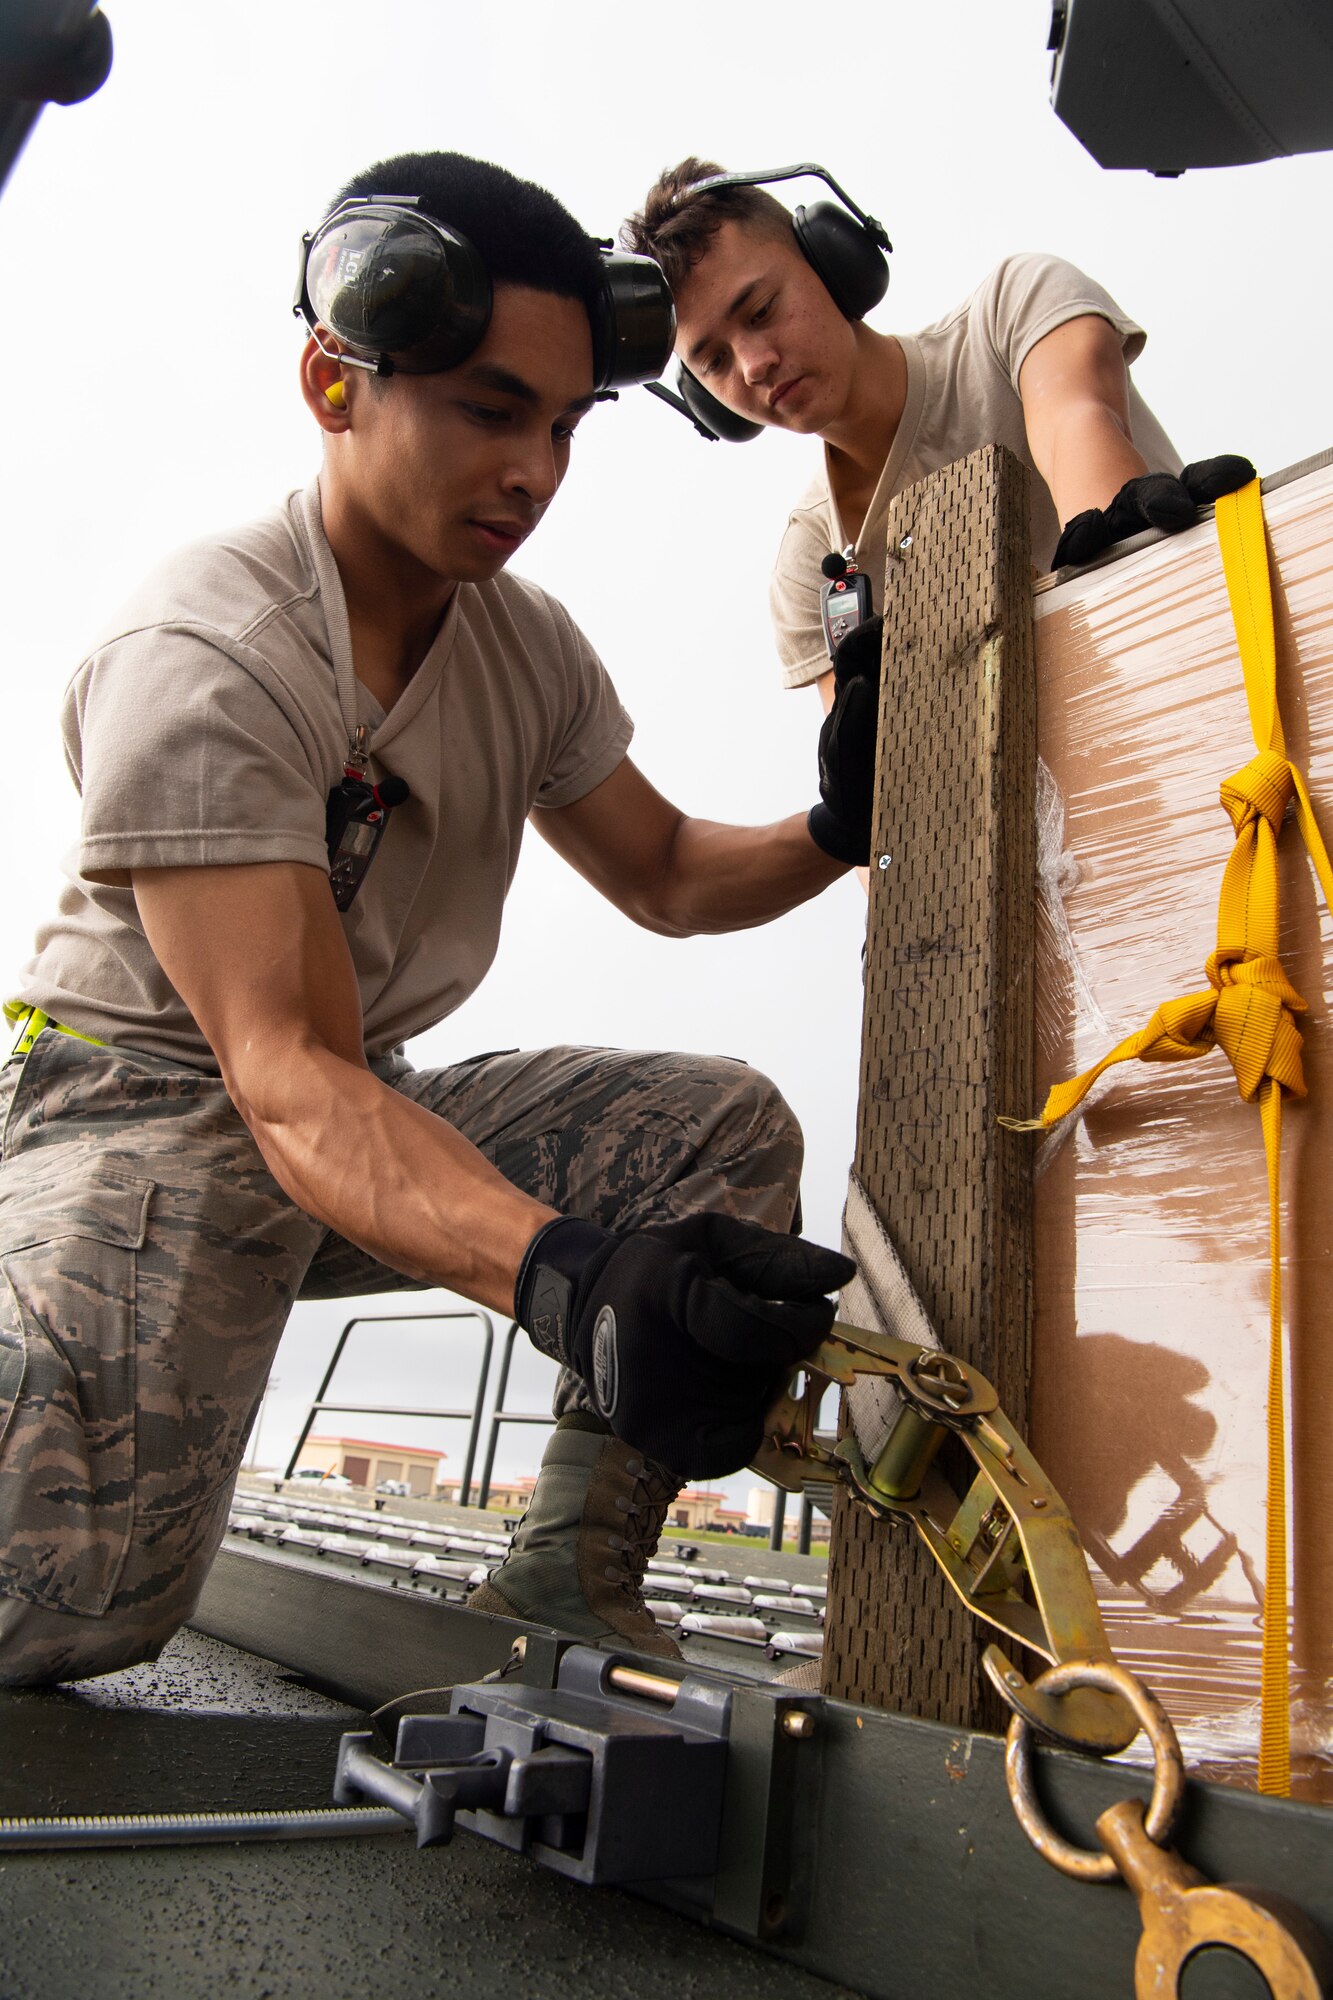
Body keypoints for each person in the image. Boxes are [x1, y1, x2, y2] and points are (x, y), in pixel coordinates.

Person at [0, 151, 869, 1686]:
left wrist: (835, 828)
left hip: (357, 1099)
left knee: (713, 1135)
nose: (533, 470)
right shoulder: (213, 648)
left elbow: (663, 871)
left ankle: (562, 1582)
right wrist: (570, 1279)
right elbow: (274, 1077)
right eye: (485, 410)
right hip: (137, 1117)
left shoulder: (523, 649)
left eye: (562, 424)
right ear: (335, 385)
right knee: (77, 1592)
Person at [623, 159, 1254, 714]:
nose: (753, 365)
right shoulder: (807, 568)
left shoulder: (1014, 309)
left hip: (1208, 683)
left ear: (832, 263)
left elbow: (1076, 423)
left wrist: (1113, 530)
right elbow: (880, 803)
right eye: (713, 362)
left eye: (760, 312)